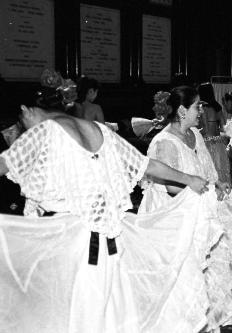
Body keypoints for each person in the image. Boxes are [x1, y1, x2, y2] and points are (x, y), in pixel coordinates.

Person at [0, 70, 214, 332]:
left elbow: (5, 164)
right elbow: (147, 165)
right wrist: (188, 178)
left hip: (72, 245)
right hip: (109, 246)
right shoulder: (98, 130)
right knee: (106, 312)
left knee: (75, 316)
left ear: (26, 111)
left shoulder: (42, 132)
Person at [138, 86, 232, 331]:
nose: (201, 110)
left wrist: (216, 183)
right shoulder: (165, 142)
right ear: (181, 110)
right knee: (186, 272)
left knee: (216, 258)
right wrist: (206, 189)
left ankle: (211, 316)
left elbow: (204, 170)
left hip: (197, 207)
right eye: (197, 106)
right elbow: (169, 186)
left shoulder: (195, 134)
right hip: (173, 215)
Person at [198, 82, 231, 184]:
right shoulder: (217, 107)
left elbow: (205, 130)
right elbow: (223, 127)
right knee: (220, 172)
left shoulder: (201, 108)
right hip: (218, 143)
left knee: (207, 174)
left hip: (206, 143)